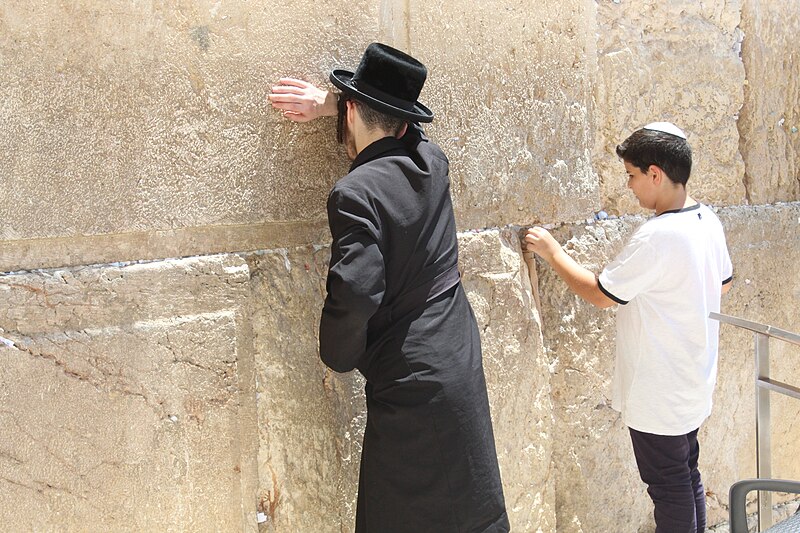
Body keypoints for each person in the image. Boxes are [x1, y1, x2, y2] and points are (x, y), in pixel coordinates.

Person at [269, 43, 509, 533]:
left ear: (353, 109)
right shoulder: (431, 161)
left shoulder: (355, 191)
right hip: (457, 355)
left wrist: (337, 354)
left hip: (411, 381)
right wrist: (343, 102)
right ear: (403, 121)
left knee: (398, 513)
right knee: (469, 504)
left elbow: (356, 291)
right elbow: (403, 126)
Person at [524, 122, 733, 533]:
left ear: (655, 173)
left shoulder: (659, 235)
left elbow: (602, 294)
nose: (630, 187)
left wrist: (551, 250)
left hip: (659, 389)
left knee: (669, 486)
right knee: (686, 476)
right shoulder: (707, 219)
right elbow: (722, 283)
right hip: (693, 377)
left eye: (632, 176)